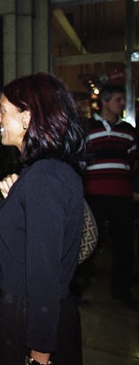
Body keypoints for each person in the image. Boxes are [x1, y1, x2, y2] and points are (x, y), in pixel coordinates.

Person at [0, 72, 87, 365]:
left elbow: (44, 275)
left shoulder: (43, 178)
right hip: (28, 312)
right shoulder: (43, 172)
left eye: (3, 110)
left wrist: (40, 355)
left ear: (27, 117)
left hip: (31, 319)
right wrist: (18, 199)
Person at [82, 83, 137, 307]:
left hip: (121, 195)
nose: (122, 104)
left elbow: (133, 162)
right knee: (87, 242)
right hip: (94, 195)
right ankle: (79, 289)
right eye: (118, 100)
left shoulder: (128, 131)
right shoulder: (87, 128)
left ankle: (121, 291)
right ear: (104, 101)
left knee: (124, 243)